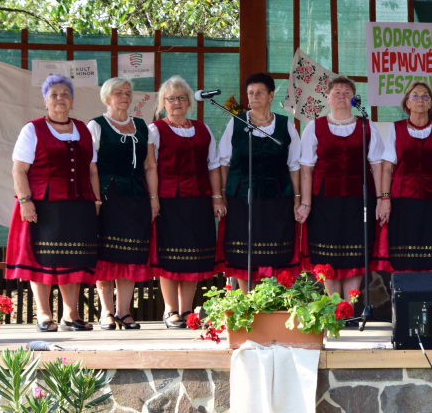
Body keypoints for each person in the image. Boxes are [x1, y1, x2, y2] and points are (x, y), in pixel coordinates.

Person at [7, 75, 99, 332]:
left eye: (65, 94)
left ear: (72, 100)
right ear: (45, 100)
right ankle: (44, 315)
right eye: (54, 94)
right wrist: (25, 201)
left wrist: (96, 199)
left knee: (74, 259)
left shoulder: (82, 128)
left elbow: (92, 169)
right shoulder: (32, 129)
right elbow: (19, 170)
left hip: (79, 204)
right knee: (43, 260)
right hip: (44, 205)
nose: (60, 98)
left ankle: (71, 315)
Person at [296, 76, 384, 300]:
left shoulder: (366, 125)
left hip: (359, 198)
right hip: (325, 200)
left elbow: (377, 165)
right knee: (328, 253)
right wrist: (305, 203)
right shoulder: (314, 126)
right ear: (327, 98)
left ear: (354, 99)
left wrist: (382, 199)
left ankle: (350, 309)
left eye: (347, 93)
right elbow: (306, 168)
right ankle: (334, 308)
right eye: (337, 92)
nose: (342, 96)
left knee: (355, 253)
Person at [148, 75, 224, 328]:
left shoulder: (202, 128)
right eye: (171, 99)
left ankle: (187, 310)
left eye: (181, 98)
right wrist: (154, 199)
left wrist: (216, 198)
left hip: (199, 200)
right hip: (170, 201)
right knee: (170, 256)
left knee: (193, 256)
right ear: (163, 103)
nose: (177, 102)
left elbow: (213, 166)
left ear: (190, 101)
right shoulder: (155, 130)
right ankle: (171, 311)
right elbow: (151, 167)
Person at [219, 72, 302, 292]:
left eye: (260, 92)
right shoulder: (236, 123)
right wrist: (223, 195)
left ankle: (270, 298)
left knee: (273, 245)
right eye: (251, 93)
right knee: (244, 249)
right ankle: (247, 299)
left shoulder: (285, 125)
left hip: (277, 196)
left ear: (271, 95)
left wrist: (297, 198)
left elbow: (294, 166)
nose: (254, 97)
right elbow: (224, 162)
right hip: (241, 197)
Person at [87, 77, 158, 330]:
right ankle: (106, 312)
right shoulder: (96, 126)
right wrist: (95, 199)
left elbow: (150, 166)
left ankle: (124, 312)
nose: (124, 96)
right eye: (118, 92)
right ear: (107, 97)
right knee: (107, 255)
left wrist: (153, 198)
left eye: (128, 92)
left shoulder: (142, 126)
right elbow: (91, 166)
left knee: (130, 254)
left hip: (137, 195)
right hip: (108, 194)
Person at [376, 81, 432, 272]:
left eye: (425, 96)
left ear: (431, 104)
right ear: (407, 103)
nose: (420, 99)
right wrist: (385, 199)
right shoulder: (395, 129)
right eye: (415, 96)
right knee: (404, 251)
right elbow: (387, 168)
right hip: (402, 200)